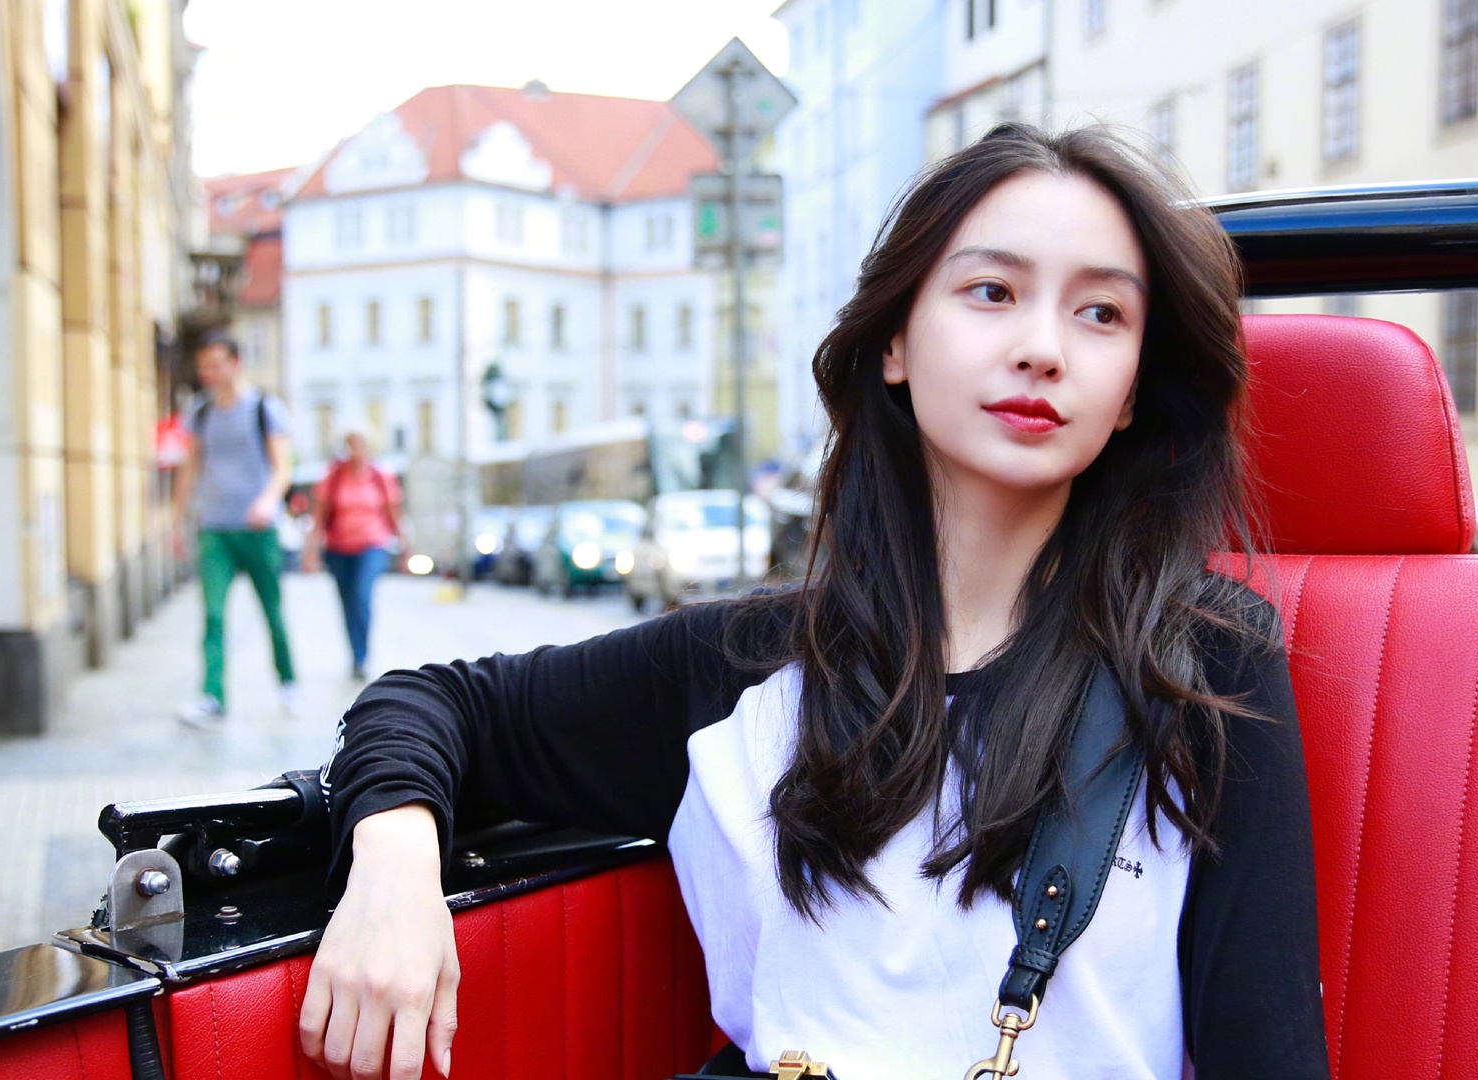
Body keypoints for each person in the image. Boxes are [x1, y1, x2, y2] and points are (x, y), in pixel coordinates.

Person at [303, 125, 1328, 1080]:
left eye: (1101, 313)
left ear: (1134, 388)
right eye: (991, 291)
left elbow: (1270, 1054)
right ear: (894, 342)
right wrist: (393, 860)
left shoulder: (1200, 662)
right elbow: (429, 704)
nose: (1043, 347)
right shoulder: (747, 664)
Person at [172, 334, 299, 726]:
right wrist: (177, 520)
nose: (208, 373)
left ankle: (288, 682)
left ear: (235, 362)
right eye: (203, 366)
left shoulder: (264, 408)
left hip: (258, 529)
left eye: (215, 364)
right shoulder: (200, 411)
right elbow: (190, 468)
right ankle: (212, 696)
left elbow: (283, 467)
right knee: (212, 614)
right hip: (215, 529)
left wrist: (267, 501)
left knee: (272, 611)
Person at [302, 430, 406, 681]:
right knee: (347, 603)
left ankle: (362, 657)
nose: (355, 450)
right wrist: (311, 552)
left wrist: (405, 547)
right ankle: (355, 655)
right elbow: (319, 516)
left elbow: (394, 512)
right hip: (338, 548)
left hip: (372, 545)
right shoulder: (333, 476)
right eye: (351, 445)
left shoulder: (381, 476)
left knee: (361, 596)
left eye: (360, 445)